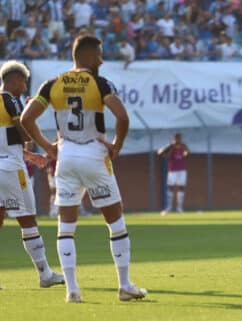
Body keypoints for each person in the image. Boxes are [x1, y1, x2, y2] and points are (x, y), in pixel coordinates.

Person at [21, 35, 147, 302]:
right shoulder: (100, 84)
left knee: (65, 226)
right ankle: (124, 285)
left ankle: (72, 290)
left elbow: (26, 118)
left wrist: (48, 146)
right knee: (116, 223)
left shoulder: (52, 84)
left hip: (65, 156)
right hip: (93, 154)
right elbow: (122, 117)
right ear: (89, 55)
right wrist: (117, 145)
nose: (101, 59)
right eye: (99, 54)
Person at [0, 60, 65, 289]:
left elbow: (6, 141)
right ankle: (45, 274)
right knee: (28, 220)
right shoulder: (9, 99)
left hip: (5, 164)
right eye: (24, 81)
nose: (25, 85)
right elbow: (23, 133)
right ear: (13, 79)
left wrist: (29, 156)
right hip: (10, 171)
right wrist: (46, 145)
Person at [157, 133, 190, 215]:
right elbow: (159, 153)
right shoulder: (171, 146)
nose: (178, 140)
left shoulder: (183, 146)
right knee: (170, 188)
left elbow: (187, 153)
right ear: (174, 139)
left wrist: (185, 152)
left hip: (182, 170)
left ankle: (180, 208)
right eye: (176, 138)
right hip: (172, 170)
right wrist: (169, 146)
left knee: (181, 187)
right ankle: (169, 207)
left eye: (179, 138)